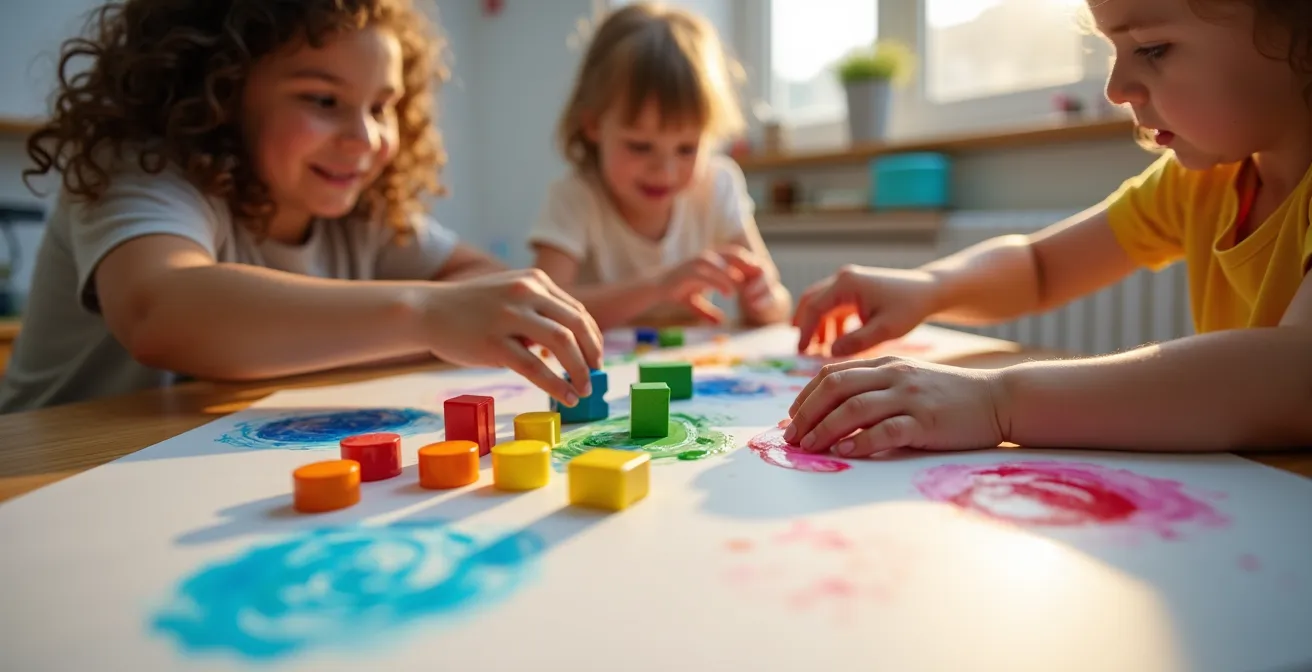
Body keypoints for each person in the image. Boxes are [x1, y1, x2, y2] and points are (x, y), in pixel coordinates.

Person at [0, 0, 601, 414]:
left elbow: (474, 280)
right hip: (48, 472)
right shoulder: (140, 165)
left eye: (382, 106)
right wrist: (426, 313)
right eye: (323, 98)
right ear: (220, 87)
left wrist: (454, 312)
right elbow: (160, 310)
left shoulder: (362, 209)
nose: (365, 140)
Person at [786, 0, 1312, 456]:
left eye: (1152, 48)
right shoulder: (1199, 185)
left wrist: (999, 401)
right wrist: (930, 288)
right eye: (1114, 51)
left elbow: (1297, 374)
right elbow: (1041, 267)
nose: (1115, 88)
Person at [529, 2, 791, 331]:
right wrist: (658, 287)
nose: (665, 171)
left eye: (687, 148)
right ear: (593, 125)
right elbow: (542, 308)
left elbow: (777, 302)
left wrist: (763, 300)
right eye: (640, 146)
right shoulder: (575, 197)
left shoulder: (717, 184)